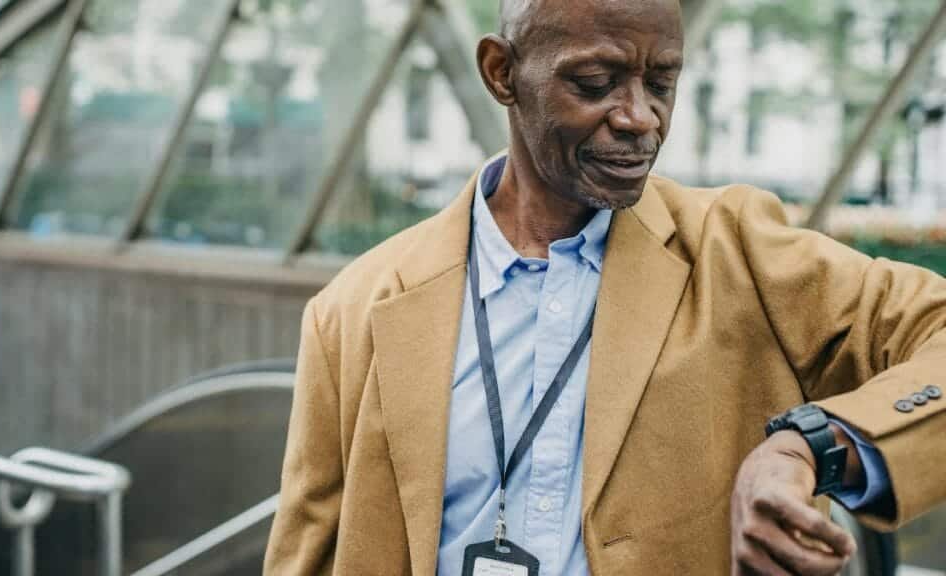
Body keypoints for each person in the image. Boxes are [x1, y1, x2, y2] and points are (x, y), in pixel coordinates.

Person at [264, 0, 946, 574]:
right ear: (502, 73)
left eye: (662, 83)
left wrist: (807, 448)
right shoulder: (352, 312)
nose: (640, 118)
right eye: (596, 81)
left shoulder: (741, 252)